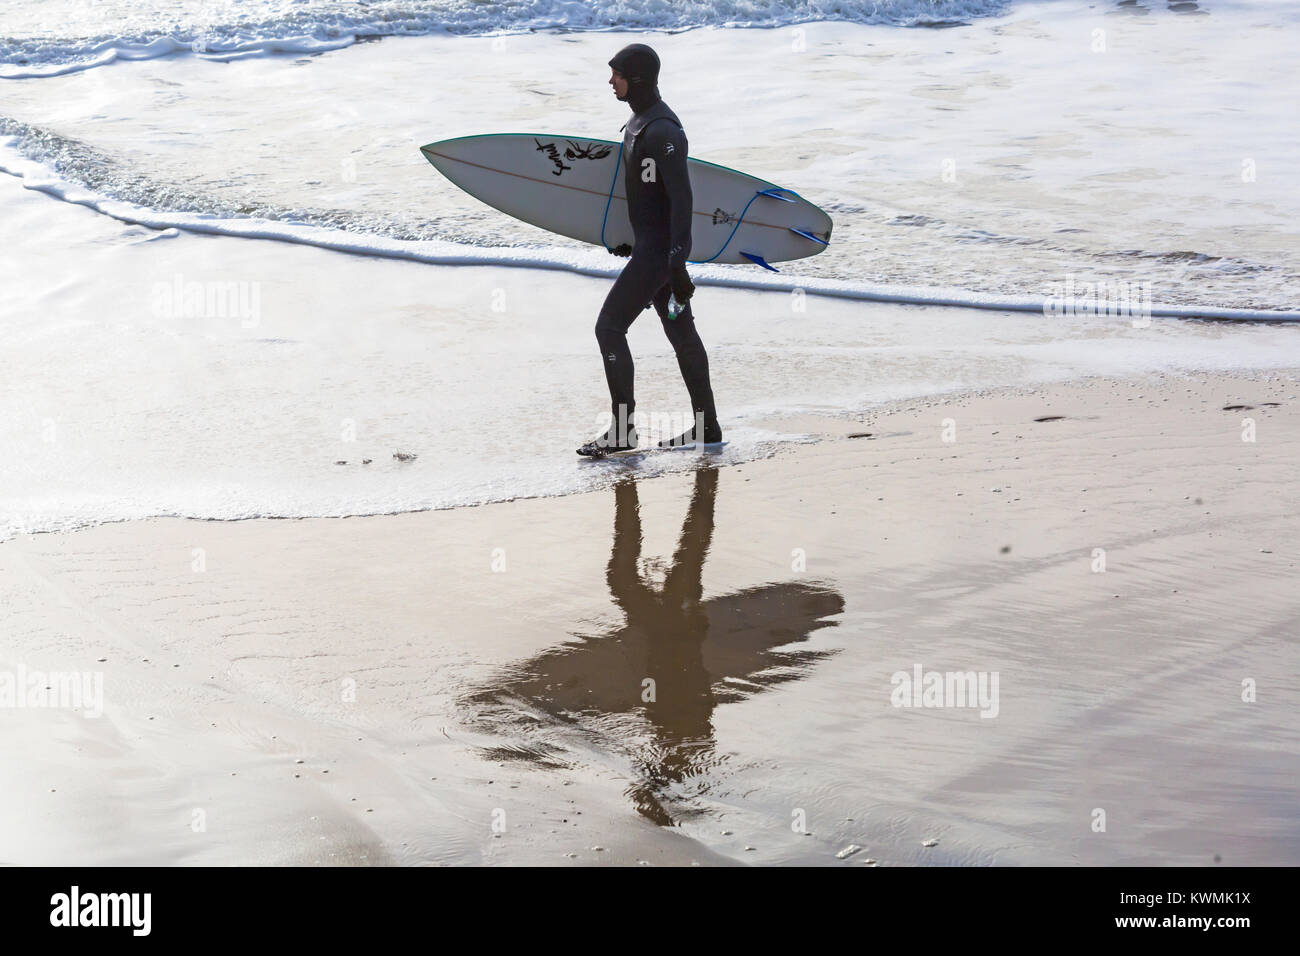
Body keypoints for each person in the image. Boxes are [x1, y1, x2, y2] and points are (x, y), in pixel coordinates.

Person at [577, 43, 723, 457]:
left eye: (617, 74)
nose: (610, 81)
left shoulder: (662, 132)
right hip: (654, 253)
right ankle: (707, 426)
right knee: (682, 333)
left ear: (636, 78)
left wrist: (677, 265)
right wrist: (631, 240)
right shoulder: (639, 124)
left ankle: (623, 431)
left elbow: (682, 200)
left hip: (661, 258)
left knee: (609, 328)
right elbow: (649, 200)